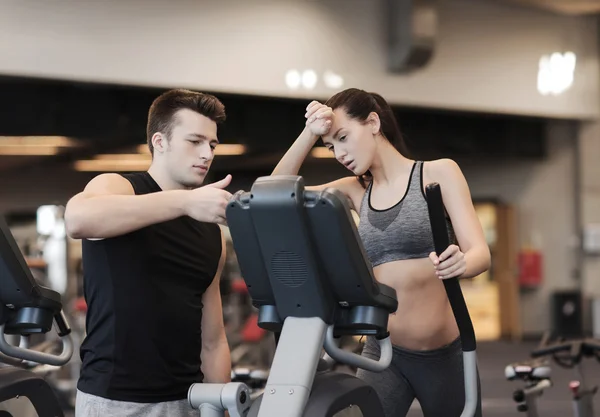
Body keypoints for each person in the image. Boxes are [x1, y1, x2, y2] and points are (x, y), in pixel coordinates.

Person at [271, 88, 491, 417]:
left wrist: (463, 262)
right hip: (383, 354)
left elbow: (480, 254)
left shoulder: (438, 173)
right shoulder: (353, 190)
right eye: (330, 146)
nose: (339, 153)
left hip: (445, 355)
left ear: (373, 122)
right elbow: (275, 194)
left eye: (343, 137)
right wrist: (308, 132)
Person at [64, 89, 234, 417]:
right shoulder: (118, 187)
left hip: (189, 401)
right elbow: (77, 219)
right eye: (194, 141)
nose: (206, 154)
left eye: (212, 145)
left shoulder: (210, 231)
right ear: (160, 141)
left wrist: (221, 405)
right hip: (117, 401)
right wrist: (185, 202)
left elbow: (213, 340)